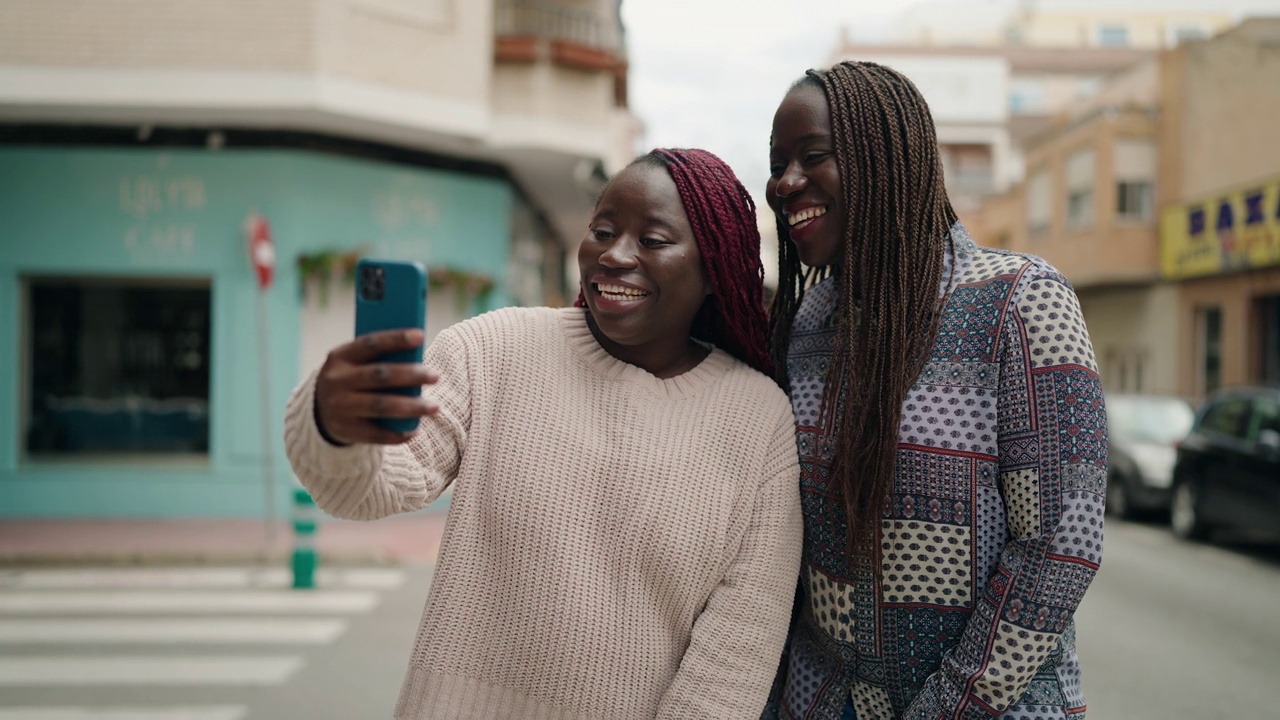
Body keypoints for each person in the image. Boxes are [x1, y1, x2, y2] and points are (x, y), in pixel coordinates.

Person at [283, 148, 803, 719]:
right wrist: (334, 425)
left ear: (714, 269)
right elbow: (369, 489)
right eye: (602, 231)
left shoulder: (760, 423)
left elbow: (734, 655)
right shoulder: (493, 351)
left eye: (653, 241)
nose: (615, 255)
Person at [761, 61, 1107, 720]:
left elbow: (1060, 547)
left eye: (813, 156)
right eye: (778, 163)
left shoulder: (1020, 301)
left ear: (885, 155)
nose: (784, 183)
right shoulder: (805, 326)